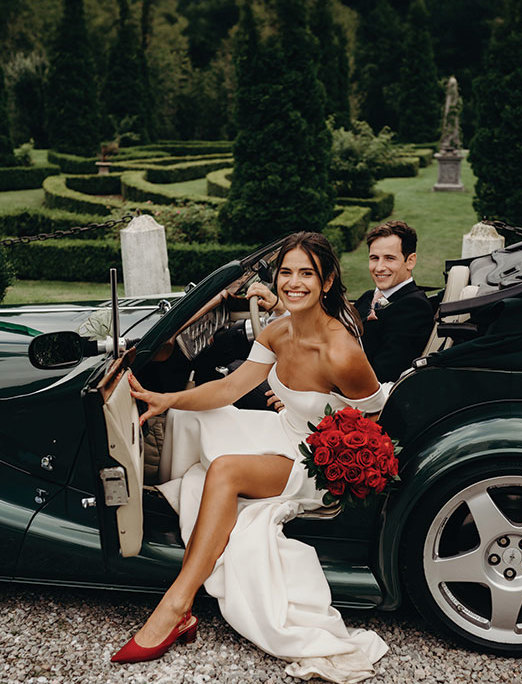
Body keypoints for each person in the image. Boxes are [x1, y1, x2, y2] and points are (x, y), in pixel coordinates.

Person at [114, 232, 389, 683]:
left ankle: (176, 605)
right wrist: (167, 399)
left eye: (307, 274)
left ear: (327, 281)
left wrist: (346, 461)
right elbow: (231, 387)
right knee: (193, 420)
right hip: (284, 432)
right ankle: (151, 512)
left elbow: (375, 421)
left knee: (224, 470)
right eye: (286, 273)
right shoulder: (278, 331)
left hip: (318, 461)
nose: (293, 283)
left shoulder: (341, 352)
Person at [353, 221, 434, 383]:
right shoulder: (367, 297)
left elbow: (384, 373)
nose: (379, 267)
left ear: (410, 261)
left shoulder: (415, 307)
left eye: (389, 258)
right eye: (374, 258)